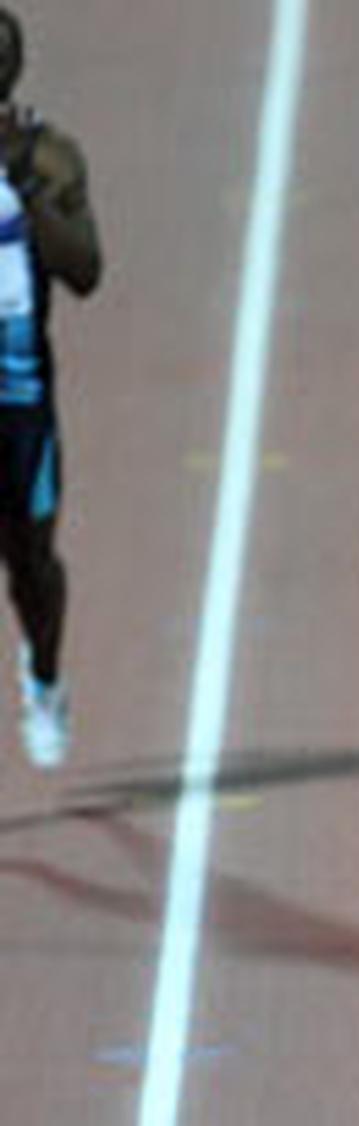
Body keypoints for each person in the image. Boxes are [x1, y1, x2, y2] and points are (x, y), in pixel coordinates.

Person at [0, 7, 102, 770]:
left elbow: (86, 271)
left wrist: (28, 194)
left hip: (20, 401)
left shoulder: (49, 157)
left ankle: (43, 676)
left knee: (30, 564)